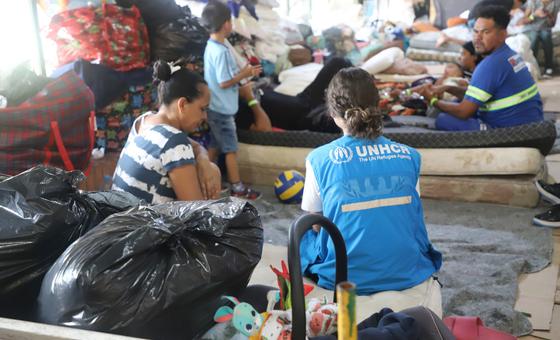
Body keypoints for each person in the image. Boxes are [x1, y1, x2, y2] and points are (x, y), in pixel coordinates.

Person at [299, 67, 443, 315]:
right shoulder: (410, 156)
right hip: (407, 270)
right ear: (378, 105)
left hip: (343, 277)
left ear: (333, 112)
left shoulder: (319, 159)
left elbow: (316, 224)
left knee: (303, 235)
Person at [112, 60, 221, 204]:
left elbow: (197, 147)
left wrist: (203, 160)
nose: (205, 117)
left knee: (209, 169)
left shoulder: (144, 121)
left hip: (116, 219)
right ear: (182, 104)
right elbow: (197, 212)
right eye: (203, 109)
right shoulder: (174, 141)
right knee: (214, 172)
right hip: (140, 225)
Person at [427, 5, 543, 131]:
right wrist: (448, 88)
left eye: (485, 32)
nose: (478, 38)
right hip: (532, 123)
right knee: (455, 102)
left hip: (508, 131)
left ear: (502, 35)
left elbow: (464, 112)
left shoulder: (490, 65)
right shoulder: (510, 54)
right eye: (476, 31)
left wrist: (432, 100)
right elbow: (476, 96)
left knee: (443, 119)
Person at [201, 1, 262, 199]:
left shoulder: (213, 45)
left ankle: (203, 180)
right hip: (221, 109)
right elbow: (224, 82)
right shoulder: (219, 51)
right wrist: (243, 74)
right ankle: (237, 187)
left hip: (216, 107)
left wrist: (244, 74)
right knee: (230, 150)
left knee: (214, 145)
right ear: (226, 24)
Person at [235, 57, 354, 132]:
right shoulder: (235, 110)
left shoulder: (238, 91)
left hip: (303, 99)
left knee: (339, 62)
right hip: (306, 116)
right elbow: (264, 129)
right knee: (347, 114)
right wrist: (250, 99)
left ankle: (366, 84)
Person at [523, 0, 557, 77]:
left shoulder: (555, 2)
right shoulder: (532, 2)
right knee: (534, 40)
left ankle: (549, 67)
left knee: (546, 37)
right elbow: (524, 20)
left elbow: (552, 23)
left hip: (545, 28)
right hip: (532, 28)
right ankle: (533, 68)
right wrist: (534, 15)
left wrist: (548, 15)